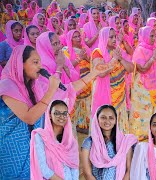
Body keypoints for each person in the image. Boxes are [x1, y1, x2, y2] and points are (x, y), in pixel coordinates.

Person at [0, 44, 110, 179]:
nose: (40, 66)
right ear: (20, 64)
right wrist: (51, 90)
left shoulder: (35, 85)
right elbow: (29, 117)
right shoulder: (7, 86)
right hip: (11, 150)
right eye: (35, 62)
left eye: (40, 61)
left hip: (30, 147)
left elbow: (68, 89)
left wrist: (94, 73)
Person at [91, 27, 133, 133]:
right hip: (106, 94)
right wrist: (114, 59)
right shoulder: (98, 52)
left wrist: (120, 59)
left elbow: (131, 68)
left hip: (120, 93)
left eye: (115, 36)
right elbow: (101, 72)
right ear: (104, 38)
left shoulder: (117, 51)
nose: (114, 39)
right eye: (111, 37)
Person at [81, 104, 137, 180]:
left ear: (115, 121)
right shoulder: (89, 142)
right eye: (103, 117)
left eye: (111, 118)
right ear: (97, 119)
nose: (107, 121)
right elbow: (87, 173)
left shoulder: (125, 141)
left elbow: (129, 170)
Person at [129, 26, 156, 140]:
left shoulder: (155, 48)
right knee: (144, 109)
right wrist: (153, 56)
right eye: (151, 36)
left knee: (155, 107)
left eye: (154, 36)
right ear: (144, 36)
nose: (154, 38)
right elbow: (143, 68)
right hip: (143, 86)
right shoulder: (139, 50)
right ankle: (142, 132)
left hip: (155, 83)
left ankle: (155, 131)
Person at [30, 100, 79, 179]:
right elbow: (42, 167)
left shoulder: (71, 141)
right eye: (57, 113)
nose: (61, 116)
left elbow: (74, 167)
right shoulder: (40, 136)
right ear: (49, 115)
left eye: (64, 113)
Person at [63, 29, 92, 134]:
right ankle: (77, 125)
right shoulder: (66, 50)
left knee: (88, 104)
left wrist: (86, 58)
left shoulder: (85, 48)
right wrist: (80, 58)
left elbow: (92, 61)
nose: (78, 38)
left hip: (88, 82)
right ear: (70, 39)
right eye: (75, 37)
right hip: (76, 83)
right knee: (76, 105)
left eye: (79, 36)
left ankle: (86, 125)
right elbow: (67, 67)